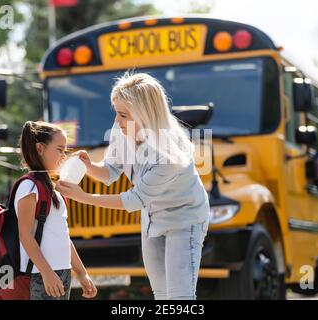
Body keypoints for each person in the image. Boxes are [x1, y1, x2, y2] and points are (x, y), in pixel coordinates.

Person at [56, 73, 210, 300]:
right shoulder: (123, 129)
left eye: (123, 115)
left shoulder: (170, 157)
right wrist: (90, 166)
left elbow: (133, 200)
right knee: (162, 295)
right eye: (117, 113)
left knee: (180, 297)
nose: (117, 122)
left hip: (184, 221)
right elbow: (111, 171)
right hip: (152, 220)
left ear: (145, 115)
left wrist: (84, 197)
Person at [17, 121, 97, 300]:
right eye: (60, 149)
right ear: (40, 148)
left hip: (62, 272)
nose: (64, 156)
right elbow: (25, 236)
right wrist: (47, 273)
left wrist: (81, 273)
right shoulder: (28, 188)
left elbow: (63, 235)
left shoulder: (53, 190)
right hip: (40, 275)